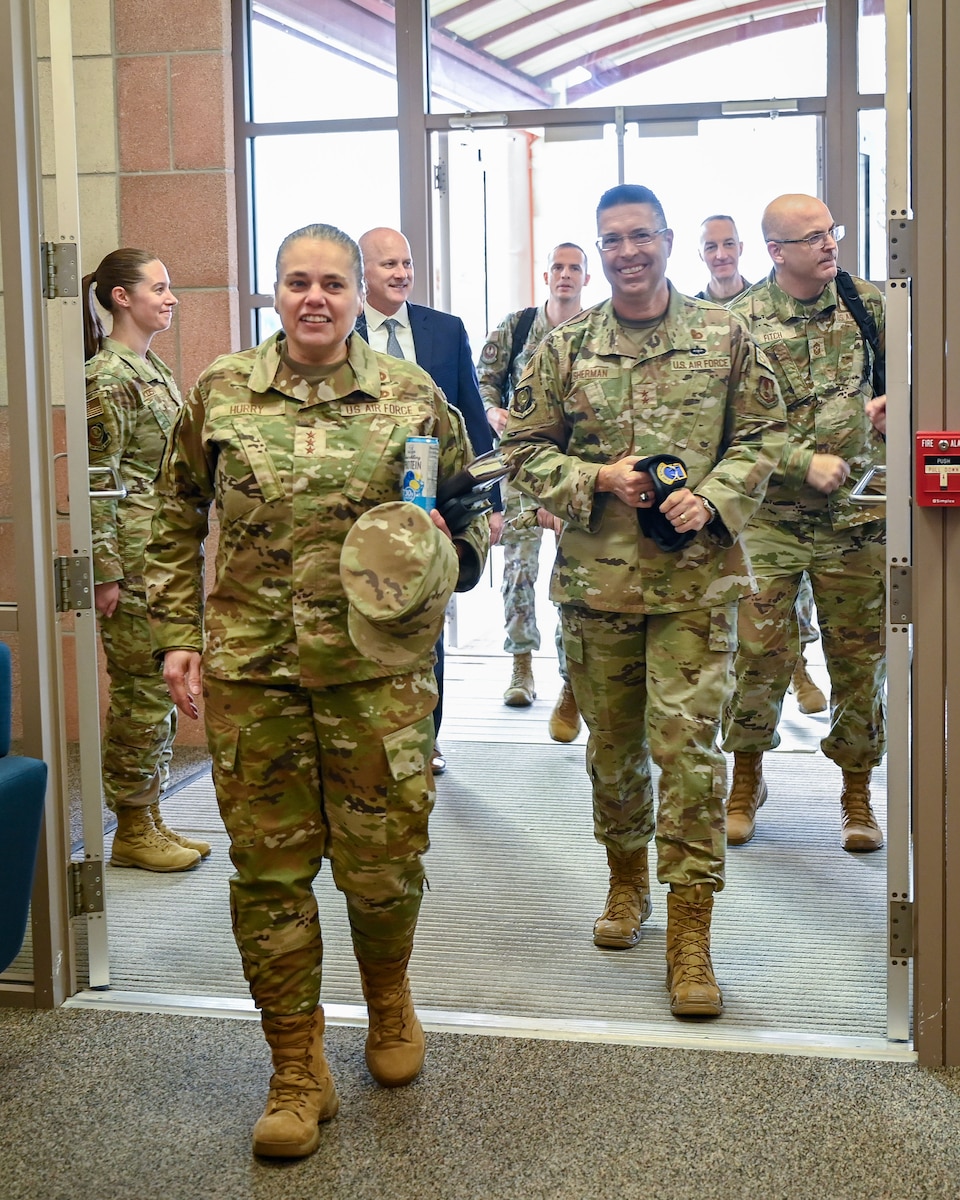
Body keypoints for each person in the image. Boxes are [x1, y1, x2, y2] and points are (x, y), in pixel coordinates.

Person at [144, 224, 488, 1158]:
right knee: (268, 879)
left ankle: (387, 1003)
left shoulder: (411, 395)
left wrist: (440, 565)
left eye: (332, 283)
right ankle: (295, 1066)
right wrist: (178, 634)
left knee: (382, 872)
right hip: (255, 680)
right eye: (298, 282)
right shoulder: (220, 391)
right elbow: (173, 510)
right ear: (276, 292)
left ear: (355, 295)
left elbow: (468, 512)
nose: (315, 299)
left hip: (377, 683)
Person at [500, 185, 785, 1018]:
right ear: (599, 250)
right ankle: (627, 885)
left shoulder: (724, 334)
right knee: (615, 753)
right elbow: (520, 448)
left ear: (666, 240)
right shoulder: (565, 345)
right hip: (598, 587)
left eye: (640, 236)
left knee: (688, 755)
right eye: (611, 240)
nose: (627, 252)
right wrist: (593, 478)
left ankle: (692, 939)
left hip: (694, 585)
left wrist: (720, 496)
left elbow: (765, 437)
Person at [722, 193, 887, 852]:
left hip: (857, 519)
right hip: (771, 522)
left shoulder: (867, 304)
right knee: (758, 657)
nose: (829, 245)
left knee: (857, 661)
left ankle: (856, 790)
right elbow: (727, 430)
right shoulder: (739, 323)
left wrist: (892, 404)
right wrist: (798, 459)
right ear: (776, 252)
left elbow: (920, 377)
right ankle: (747, 777)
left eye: (832, 231)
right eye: (813, 237)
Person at [356, 226, 501, 775]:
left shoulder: (444, 330)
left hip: (434, 504)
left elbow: (471, 416)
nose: (401, 273)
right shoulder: (341, 329)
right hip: (362, 505)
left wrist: (492, 505)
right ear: (362, 273)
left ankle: (426, 735)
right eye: (388, 264)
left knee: (426, 616)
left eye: (407, 263)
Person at [83, 248, 208, 873]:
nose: (171, 297)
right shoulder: (105, 378)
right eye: (158, 287)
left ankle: (150, 811)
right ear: (119, 298)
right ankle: (131, 824)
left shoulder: (149, 369)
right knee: (136, 691)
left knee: (155, 690)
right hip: (130, 561)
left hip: (158, 556)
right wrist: (104, 569)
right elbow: (94, 480)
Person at [697, 215, 827, 715]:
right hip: (749, 492)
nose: (722, 252)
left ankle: (798, 667)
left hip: (826, 502)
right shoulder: (712, 316)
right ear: (700, 252)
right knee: (751, 619)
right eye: (712, 245)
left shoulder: (772, 305)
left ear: (745, 248)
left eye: (729, 243)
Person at [477, 243, 591, 740]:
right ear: (546, 276)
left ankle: (573, 680)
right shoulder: (517, 326)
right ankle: (521, 664)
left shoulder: (595, 331)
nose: (565, 276)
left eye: (575, 269)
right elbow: (484, 379)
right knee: (519, 571)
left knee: (574, 576)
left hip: (573, 473)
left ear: (586, 278)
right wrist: (490, 410)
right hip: (523, 468)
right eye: (559, 268)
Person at [695, 214, 751, 303]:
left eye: (729, 244)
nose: (721, 255)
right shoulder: (690, 312)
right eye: (711, 247)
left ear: (740, 248)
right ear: (701, 255)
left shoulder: (768, 300)